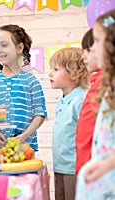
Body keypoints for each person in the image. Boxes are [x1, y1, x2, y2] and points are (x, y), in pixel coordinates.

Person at [75, 9, 115, 199]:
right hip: (102, 174)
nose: (93, 48)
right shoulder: (108, 84)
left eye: (97, 41)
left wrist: (109, 163)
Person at [0, 24, 47, 151]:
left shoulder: (31, 81)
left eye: (4, 45)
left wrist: (24, 136)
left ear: (20, 47)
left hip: (25, 147)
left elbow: (40, 114)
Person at [49, 47, 89, 200]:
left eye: (56, 69)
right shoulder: (63, 99)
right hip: (60, 165)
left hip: (73, 167)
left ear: (74, 73)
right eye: (51, 69)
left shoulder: (81, 99)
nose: (50, 73)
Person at [75, 28, 102, 176]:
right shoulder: (97, 82)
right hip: (88, 165)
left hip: (96, 168)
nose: (83, 57)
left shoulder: (106, 84)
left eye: (88, 51)